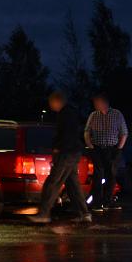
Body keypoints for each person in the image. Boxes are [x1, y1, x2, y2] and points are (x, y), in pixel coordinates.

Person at [30, 91, 91, 224]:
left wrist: (58, 148)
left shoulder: (65, 114)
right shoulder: (71, 113)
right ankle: (84, 213)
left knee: (52, 182)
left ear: (57, 101)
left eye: (51, 103)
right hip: (73, 152)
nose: (51, 106)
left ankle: (44, 213)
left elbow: (66, 134)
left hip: (66, 153)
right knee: (73, 184)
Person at [84, 93, 128, 212]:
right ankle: (97, 203)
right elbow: (87, 132)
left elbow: (124, 132)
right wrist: (91, 147)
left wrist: (119, 149)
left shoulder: (116, 114)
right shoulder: (93, 115)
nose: (95, 105)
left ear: (104, 103)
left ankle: (108, 201)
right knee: (98, 176)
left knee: (111, 175)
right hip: (97, 148)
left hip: (112, 149)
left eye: (97, 103)